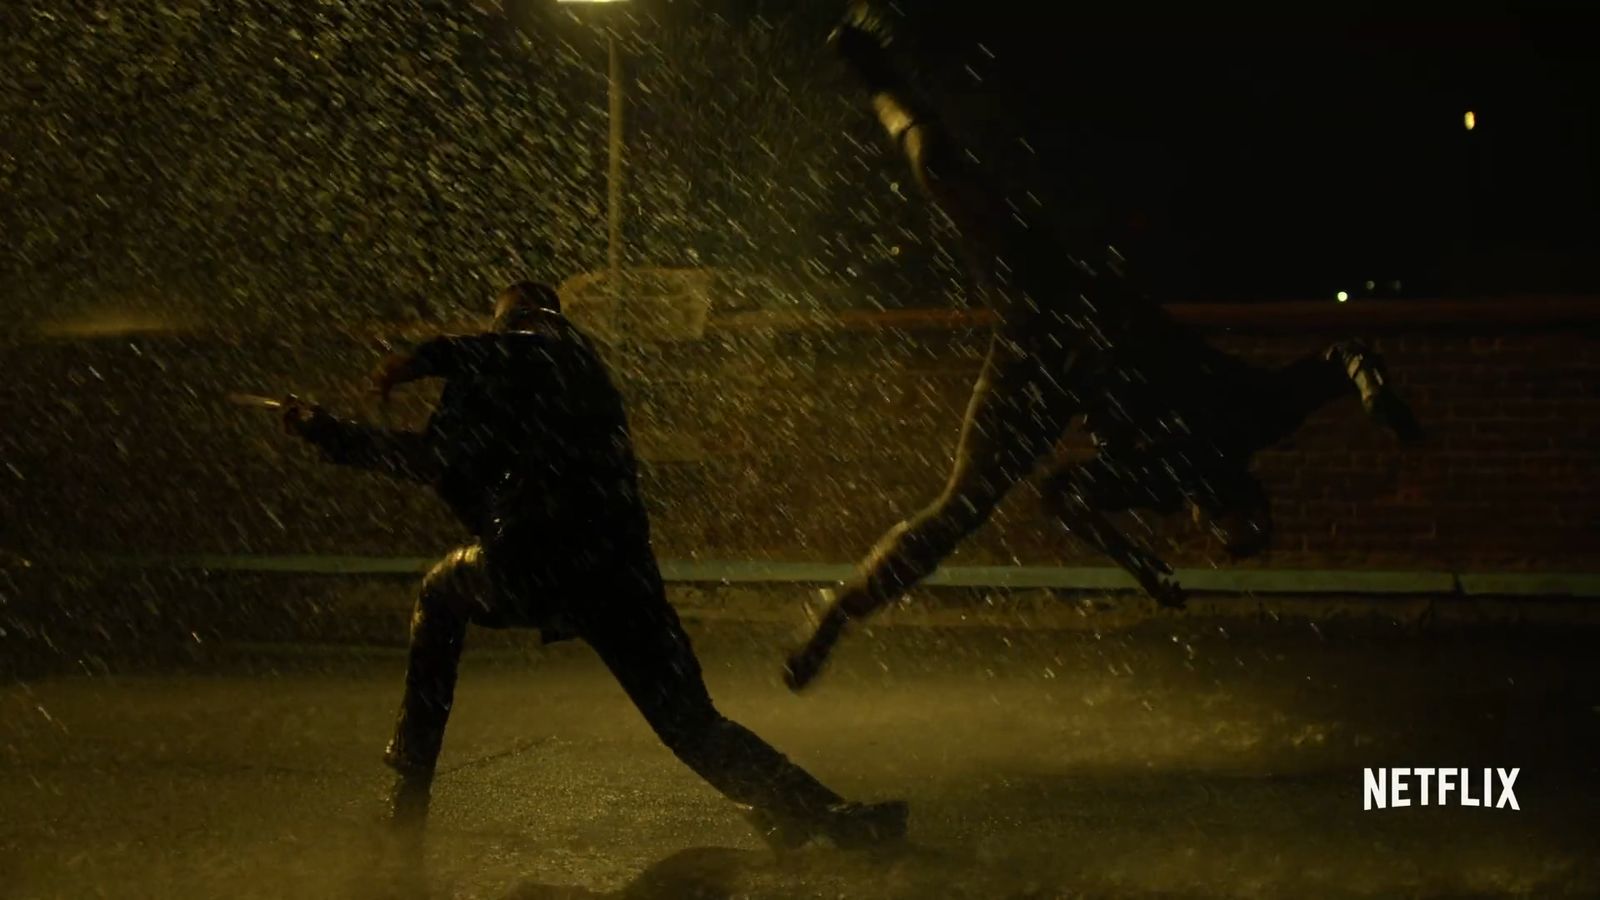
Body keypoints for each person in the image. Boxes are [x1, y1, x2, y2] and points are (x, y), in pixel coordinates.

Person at [783, 8, 1419, 692]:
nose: (1214, 514)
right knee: (942, 169)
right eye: (1239, 519)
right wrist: (1376, 392)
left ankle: (840, 610)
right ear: (1246, 493)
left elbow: (1064, 495)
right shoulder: (1256, 414)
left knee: (961, 508)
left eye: (1220, 531)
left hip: (1041, 364)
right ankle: (880, 78)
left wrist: (1134, 560)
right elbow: (1344, 352)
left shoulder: (1161, 486)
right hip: (1069, 299)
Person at [282, 280, 907, 847]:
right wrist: (331, 433)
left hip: (537, 565)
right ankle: (823, 812)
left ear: (514, 323)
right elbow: (434, 459)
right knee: (691, 721)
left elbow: (437, 448)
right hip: (618, 571)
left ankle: (409, 791)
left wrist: (420, 360)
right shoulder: (569, 372)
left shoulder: (534, 353)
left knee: (440, 592)